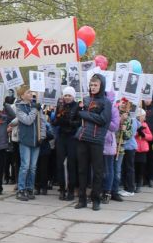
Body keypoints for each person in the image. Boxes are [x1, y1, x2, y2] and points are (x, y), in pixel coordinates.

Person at [76, 73, 112, 211]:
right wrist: (79, 110)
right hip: (83, 138)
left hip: (97, 139)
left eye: (95, 85)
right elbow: (76, 115)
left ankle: (96, 199)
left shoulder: (106, 102)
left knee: (97, 171)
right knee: (82, 170)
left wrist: (84, 114)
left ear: (101, 85)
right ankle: (82, 199)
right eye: (91, 85)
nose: (92, 87)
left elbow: (103, 120)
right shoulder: (84, 99)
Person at [13, 85, 42, 202]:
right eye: (28, 92)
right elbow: (28, 120)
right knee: (25, 166)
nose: (31, 94)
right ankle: (21, 189)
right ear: (22, 95)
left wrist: (42, 135)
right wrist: (35, 109)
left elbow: (42, 121)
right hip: (25, 140)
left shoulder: (34, 105)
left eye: (31, 92)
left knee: (33, 167)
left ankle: (30, 188)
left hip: (36, 140)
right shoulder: (19, 107)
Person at [52, 87, 80, 201]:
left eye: (69, 95)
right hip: (61, 137)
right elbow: (56, 121)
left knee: (71, 165)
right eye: (65, 95)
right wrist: (56, 119)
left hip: (72, 137)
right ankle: (62, 189)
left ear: (73, 96)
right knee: (59, 164)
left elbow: (79, 122)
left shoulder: (77, 107)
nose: (67, 97)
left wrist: (69, 122)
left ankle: (71, 190)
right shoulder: (60, 105)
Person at [101, 95, 121, 204]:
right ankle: (98, 190)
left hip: (108, 142)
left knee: (108, 169)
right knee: (97, 169)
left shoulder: (113, 110)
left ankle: (107, 191)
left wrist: (103, 120)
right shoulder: (97, 106)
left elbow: (115, 126)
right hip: (98, 141)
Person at [133, 108, 153, 192]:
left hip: (143, 150)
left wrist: (143, 134)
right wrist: (137, 132)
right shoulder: (134, 123)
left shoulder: (145, 125)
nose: (144, 117)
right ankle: (133, 183)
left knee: (141, 168)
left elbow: (150, 137)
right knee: (135, 167)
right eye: (143, 116)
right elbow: (132, 134)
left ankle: (139, 184)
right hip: (136, 149)